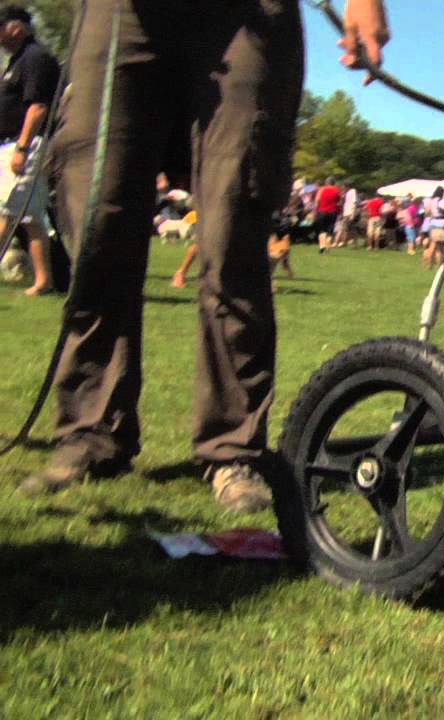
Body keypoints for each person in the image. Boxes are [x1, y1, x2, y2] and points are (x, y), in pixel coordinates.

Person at [18, 1, 391, 512]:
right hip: (122, 14)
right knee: (97, 214)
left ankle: (232, 446)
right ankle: (90, 432)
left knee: (236, 219)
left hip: (248, 13)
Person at [0, 7, 59, 297]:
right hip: (12, 144)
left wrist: (22, 147)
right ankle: (44, 280)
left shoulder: (35, 58)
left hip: (25, 143)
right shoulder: (17, 60)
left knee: (7, 210)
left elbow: (37, 107)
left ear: (16, 28)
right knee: (31, 217)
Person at [421, 185, 444, 267]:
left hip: (432, 224)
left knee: (434, 245)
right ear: (442, 193)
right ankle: (437, 265)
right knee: (439, 248)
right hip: (441, 225)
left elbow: (426, 213)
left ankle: (428, 263)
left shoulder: (431, 201)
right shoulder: (442, 201)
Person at [314, 176, 340, 252]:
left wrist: (315, 211)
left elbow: (317, 200)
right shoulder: (337, 190)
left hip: (322, 211)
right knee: (330, 229)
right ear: (334, 183)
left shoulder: (322, 189)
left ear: (326, 182)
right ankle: (328, 245)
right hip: (333, 212)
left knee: (321, 229)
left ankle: (322, 246)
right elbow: (338, 202)